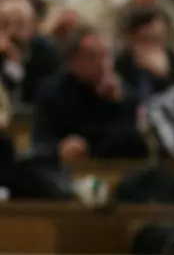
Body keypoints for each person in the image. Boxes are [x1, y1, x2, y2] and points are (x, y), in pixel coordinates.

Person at [32, 27, 149, 162]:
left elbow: (135, 145)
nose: (103, 64)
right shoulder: (52, 92)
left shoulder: (125, 94)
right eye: (92, 57)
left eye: (106, 56)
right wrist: (59, 148)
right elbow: (41, 143)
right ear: (73, 62)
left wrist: (116, 103)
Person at [0, 0, 61, 106]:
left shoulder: (44, 53)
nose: (12, 30)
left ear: (32, 26)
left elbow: (41, 96)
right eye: (5, 24)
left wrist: (15, 67)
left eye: (19, 24)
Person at [115, 8, 174, 103]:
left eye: (159, 39)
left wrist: (163, 77)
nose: (154, 47)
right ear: (132, 40)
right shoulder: (121, 65)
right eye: (146, 39)